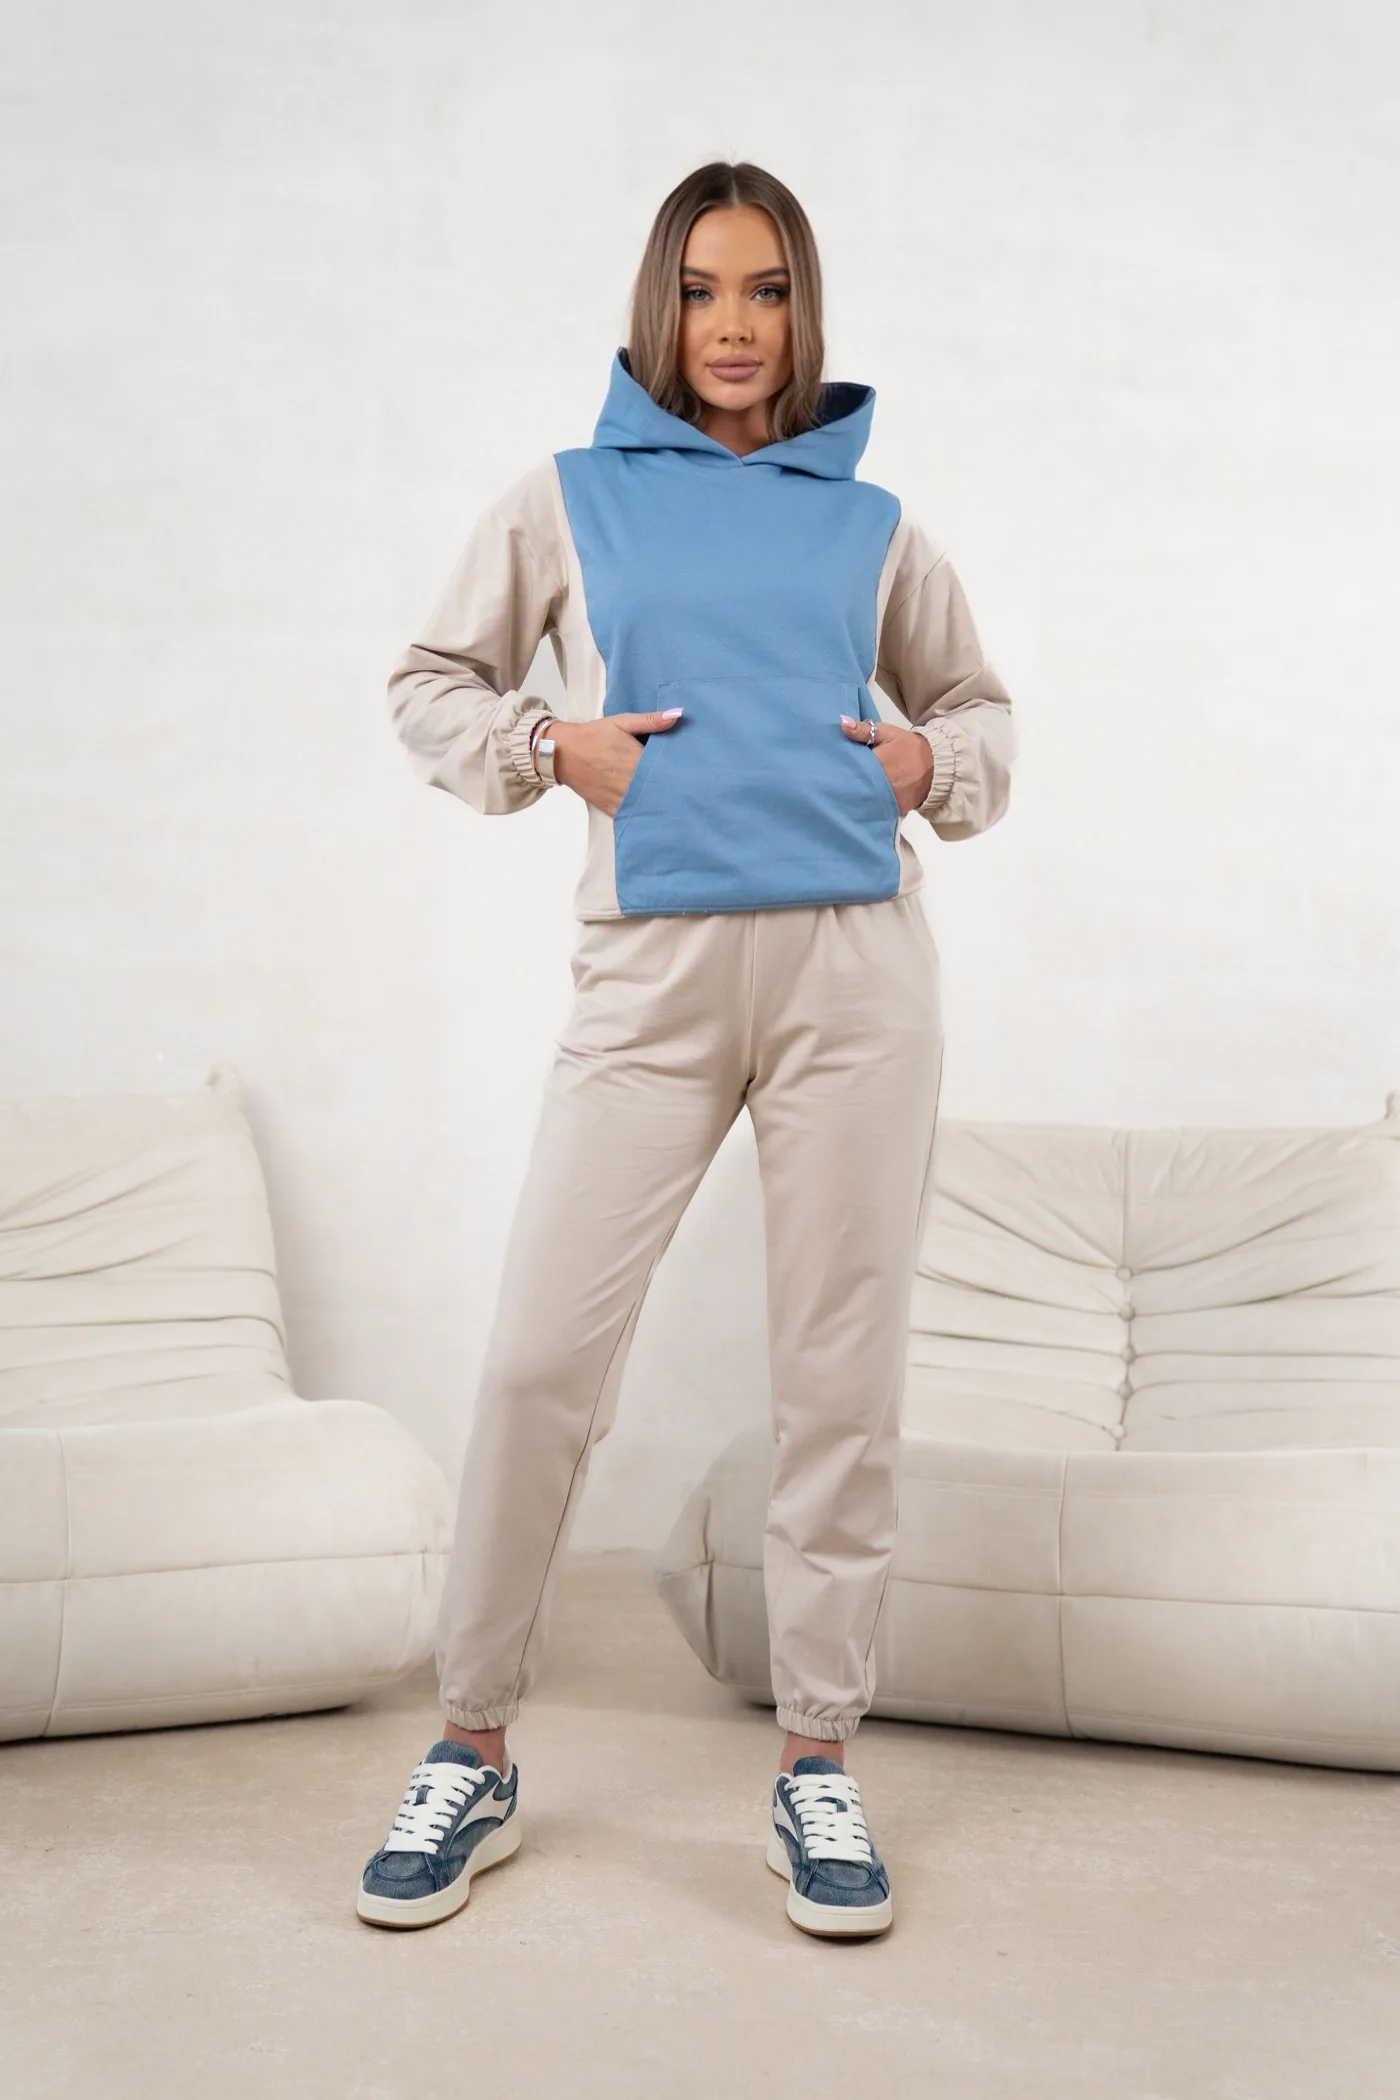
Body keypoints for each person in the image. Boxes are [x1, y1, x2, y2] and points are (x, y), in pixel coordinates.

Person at [357, 160, 1016, 1940]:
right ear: (660, 306)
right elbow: (427, 681)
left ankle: (818, 1761)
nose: (736, 327)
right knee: (534, 1364)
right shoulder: (566, 499)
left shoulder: (873, 525)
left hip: (856, 978)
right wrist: (547, 747)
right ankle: (474, 1741)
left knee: (839, 1380)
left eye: (769, 291)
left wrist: (933, 765)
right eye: (706, 290)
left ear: (805, 311)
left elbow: (977, 709)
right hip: (647, 982)